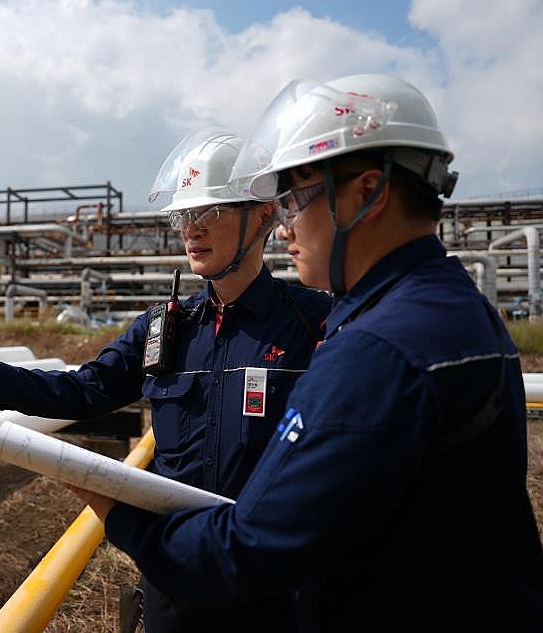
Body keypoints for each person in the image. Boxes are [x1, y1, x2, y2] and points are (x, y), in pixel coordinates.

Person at [72, 74, 543, 631]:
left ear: (368, 192)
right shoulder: (455, 308)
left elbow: (249, 549)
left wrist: (115, 511)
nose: (285, 224)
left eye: (295, 199)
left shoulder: (378, 348)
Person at [0, 125, 331, 631]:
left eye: (209, 212)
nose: (192, 229)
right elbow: (84, 391)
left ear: (263, 217)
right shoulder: (165, 330)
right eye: (183, 215)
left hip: (271, 586)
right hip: (175, 575)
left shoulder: (312, 323)